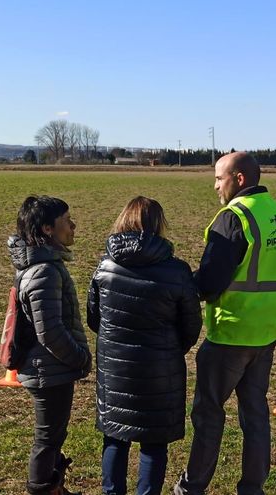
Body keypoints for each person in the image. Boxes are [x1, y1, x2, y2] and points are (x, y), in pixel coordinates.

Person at [174, 152, 276, 495]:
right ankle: (252, 487)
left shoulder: (233, 218)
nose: (215, 185)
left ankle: (193, 486)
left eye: (219, 178)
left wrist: (180, 286)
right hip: (267, 332)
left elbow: (211, 282)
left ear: (239, 179)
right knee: (255, 413)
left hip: (230, 331)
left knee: (209, 414)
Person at [87, 196, 203, 495]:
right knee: (154, 442)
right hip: (159, 370)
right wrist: (170, 349)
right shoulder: (177, 271)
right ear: (158, 225)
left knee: (115, 437)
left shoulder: (105, 267)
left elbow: (93, 317)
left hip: (115, 368)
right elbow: (191, 325)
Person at [8, 195, 92, 495]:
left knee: (54, 434)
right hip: (48, 369)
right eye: (66, 221)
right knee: (47, 437)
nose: (73, 226)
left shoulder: (42, 265)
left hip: (48, 367)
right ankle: (42, 488)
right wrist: (80, 357)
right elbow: (50, 332)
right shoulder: (44, 271)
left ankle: (53, 486)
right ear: (46, 229)